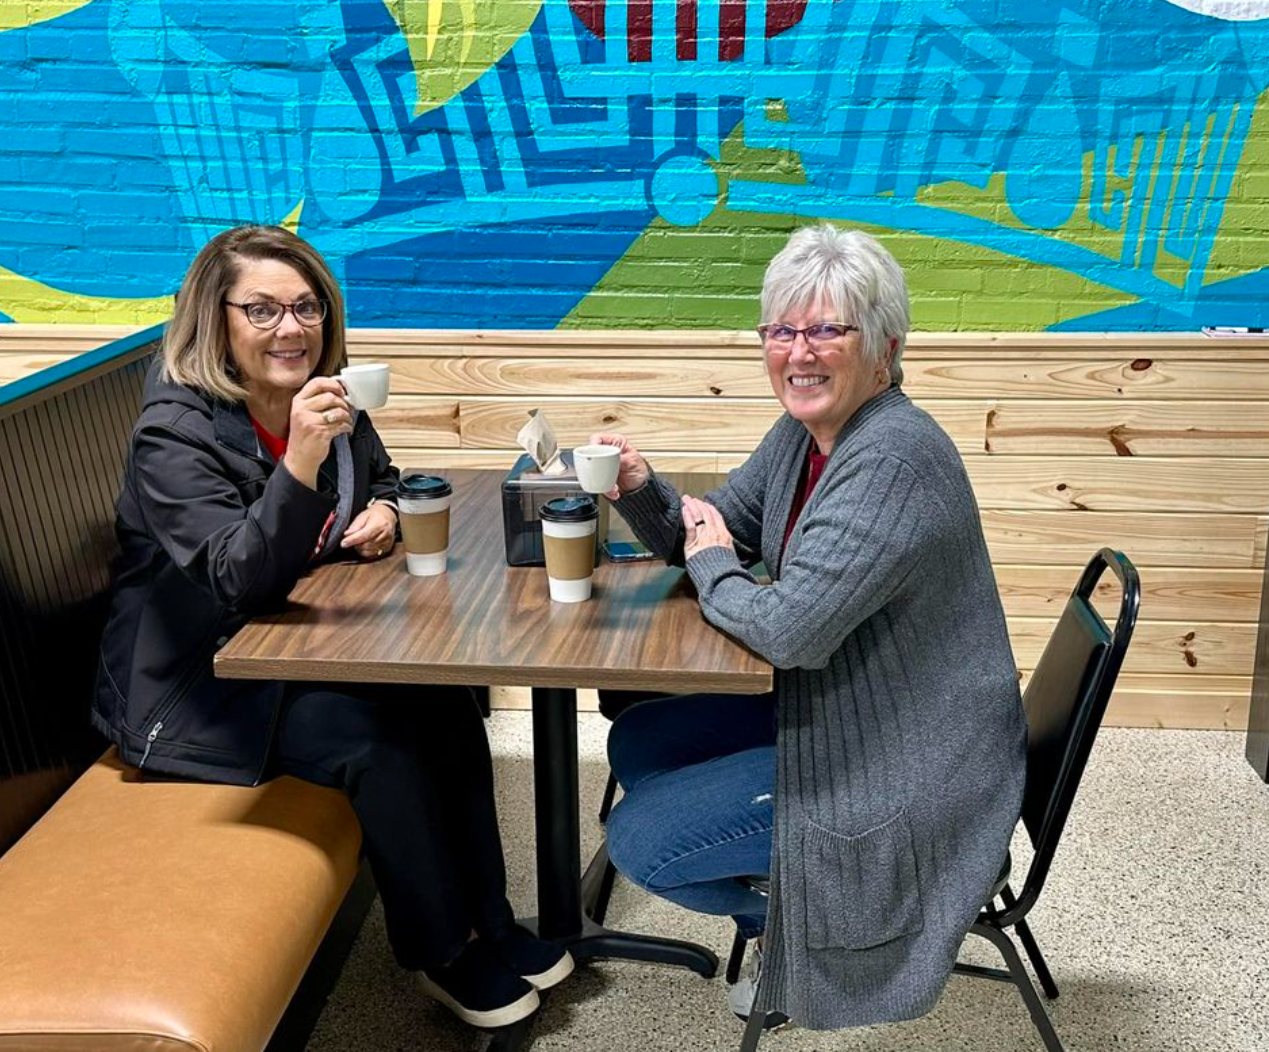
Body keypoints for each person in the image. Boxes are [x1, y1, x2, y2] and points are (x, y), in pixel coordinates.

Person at [92, 225, 569, 1031]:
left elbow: (380, 473)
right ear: (215, 319)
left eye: (307, 307)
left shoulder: (325, 394)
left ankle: (489, 919)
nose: (291, 328)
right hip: (201, 683)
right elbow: (236, 577)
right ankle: (442, 951)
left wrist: (383, 507)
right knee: (372, 742)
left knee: (445, 700)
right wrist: (301, 460)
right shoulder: (174, 432)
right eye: (262, 309)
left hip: (297, 644)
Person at [594, 224, 1027, 1031]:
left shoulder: (891, 459)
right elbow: (718, 528)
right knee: (640, 741)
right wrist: (642, 489)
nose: (799, 351)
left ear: (884, 346)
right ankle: (783, 905)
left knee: (640, 840)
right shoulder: (806, 433)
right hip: (841, 708)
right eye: (781, 330)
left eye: (827, 329)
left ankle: (788, 932)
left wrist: (715, 562)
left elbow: (790, 630)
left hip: (907, 767)